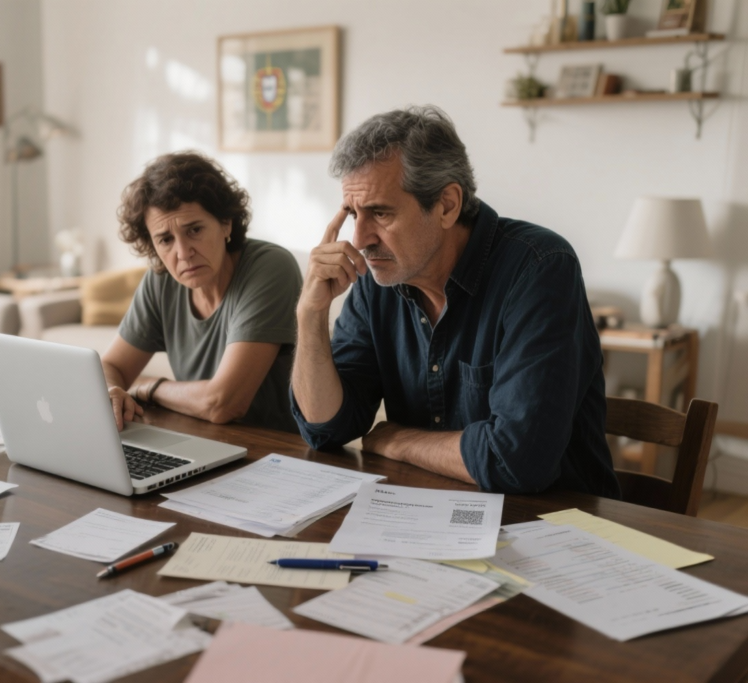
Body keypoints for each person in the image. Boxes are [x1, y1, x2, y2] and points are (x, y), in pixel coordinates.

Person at [291, 106, 620, 497]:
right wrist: (310, 314)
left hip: (552, 526)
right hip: (427, 516)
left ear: (447, 205)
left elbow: (516, 463)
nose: (360, 238)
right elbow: (326, 428)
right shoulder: (377, 279)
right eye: (353, 214)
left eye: (380, 213)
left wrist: (397, 441)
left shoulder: (540, 268)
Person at [102, 152, 303, 433]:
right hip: (202, 441)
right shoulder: (161, 279)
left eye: (194, 230)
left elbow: (224, 403)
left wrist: (149, 387)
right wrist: (113, 390)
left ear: (226, 223)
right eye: (166, 240)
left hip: (279, 453)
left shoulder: (270, 268)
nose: (183, 253)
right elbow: (111, 365)